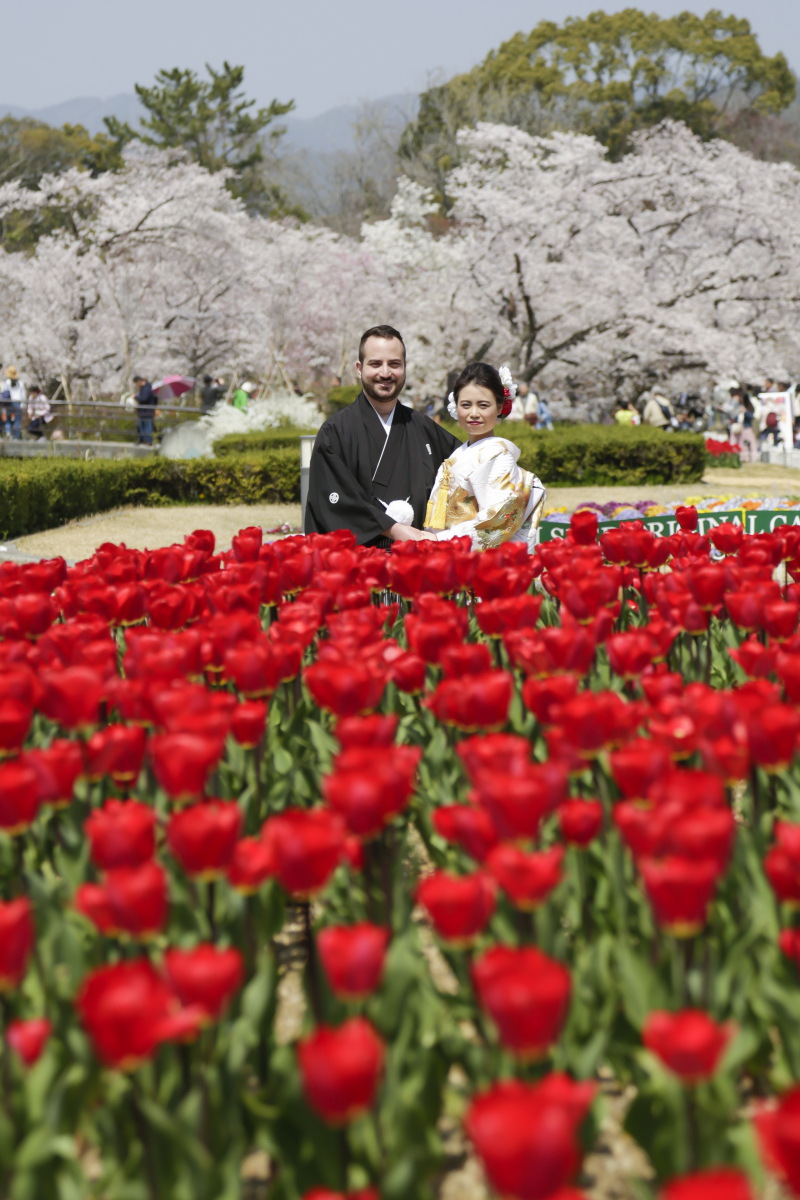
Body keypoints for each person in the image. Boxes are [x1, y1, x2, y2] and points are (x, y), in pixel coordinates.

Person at [305, 325, 460, 546]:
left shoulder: (425, 428)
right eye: (375, 364)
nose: (385, 373)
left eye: (394, 364)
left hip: (418, 557)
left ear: (405, 367)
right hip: (359, 560)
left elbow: (470, 467)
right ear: (359, 368)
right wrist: (394, 530)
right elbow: (332, 502)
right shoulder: (335, 432)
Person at [423, 362, 545, 551]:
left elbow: (496, 520)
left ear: (499, 407)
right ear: (456, 406)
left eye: (483, 405)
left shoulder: (498, 455)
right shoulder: (461, 451)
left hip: (469, 554)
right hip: (450, 550)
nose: (474, 413)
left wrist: (440, 539)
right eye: (466, 405)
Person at [1, 367, 25, 440]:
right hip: (17, 403)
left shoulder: (6, 382)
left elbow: (3, 392)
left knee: (8, 419)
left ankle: (8, 433)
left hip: (9, 402)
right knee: (17, 420)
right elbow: (23, 394)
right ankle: (16, 437)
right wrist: (23, 404)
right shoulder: (20, 382)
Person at [133, 374, 155, 445]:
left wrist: (135, 397)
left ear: (139, 381)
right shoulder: (143, 388)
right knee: (142, 426)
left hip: (147, 411)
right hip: (143, 411)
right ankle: (143, 440)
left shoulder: (146, 388)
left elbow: (144, 398)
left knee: (147, 426)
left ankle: (148, 441)